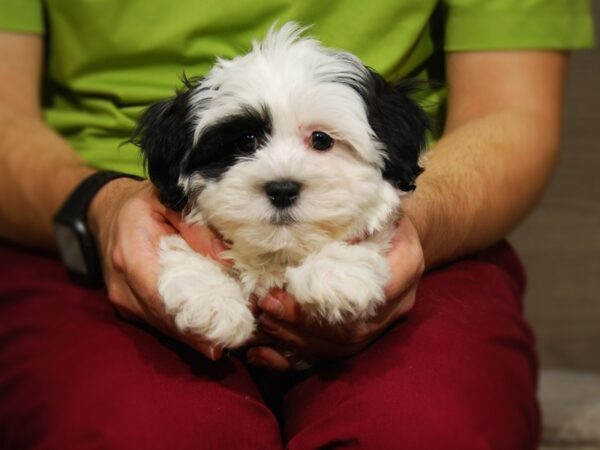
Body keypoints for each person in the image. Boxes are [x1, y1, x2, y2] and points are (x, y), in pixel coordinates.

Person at [0, 1, 594, 449]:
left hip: (431, 221)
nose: (282, 173)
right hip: (94, 216)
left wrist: (406, 229)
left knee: (427, 426)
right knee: (144, 430)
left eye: (320, 141)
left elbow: (512, 116)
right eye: (243, 144)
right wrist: (100, 209)